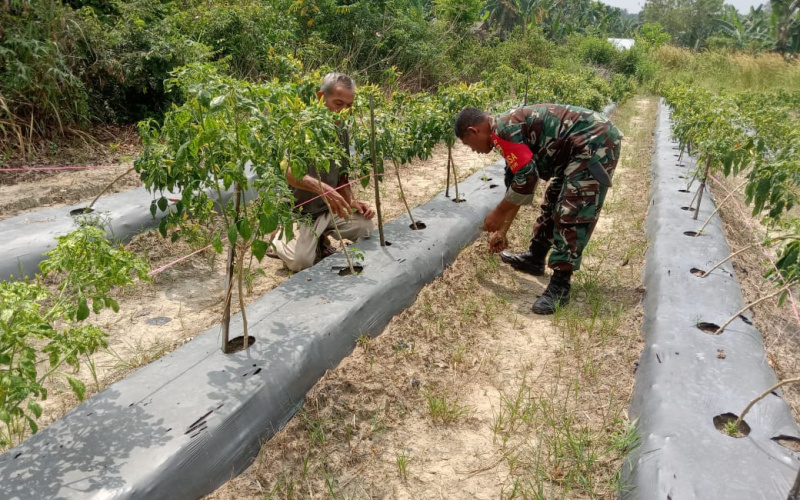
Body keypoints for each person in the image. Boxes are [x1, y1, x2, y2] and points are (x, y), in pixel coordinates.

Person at [455, 104, 622, 314]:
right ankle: (535, 258)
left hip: (594, 142)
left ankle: (561, 285)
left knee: (572, 210)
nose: (474, 151)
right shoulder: (502, 132)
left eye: (469, 144)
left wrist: (497, 213)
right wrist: (502, 231)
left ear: (473, 131)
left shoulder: (505, 131)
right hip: (573, 151)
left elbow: (527, 180)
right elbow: (517, 185)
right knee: (553, 198)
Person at [273, 73, 375, 272]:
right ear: (321, 98)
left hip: (329, 209)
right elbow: (289, 172)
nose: (343, 111)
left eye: (349, 106)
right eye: (338, 103)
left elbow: (342, 175)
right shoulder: (301, 127)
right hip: (301, 213)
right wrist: (323, 189)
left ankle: (321, 239)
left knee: (366, 227)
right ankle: (278, 239)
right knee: (300, 262)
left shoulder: (341, 130)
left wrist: (351, 201)